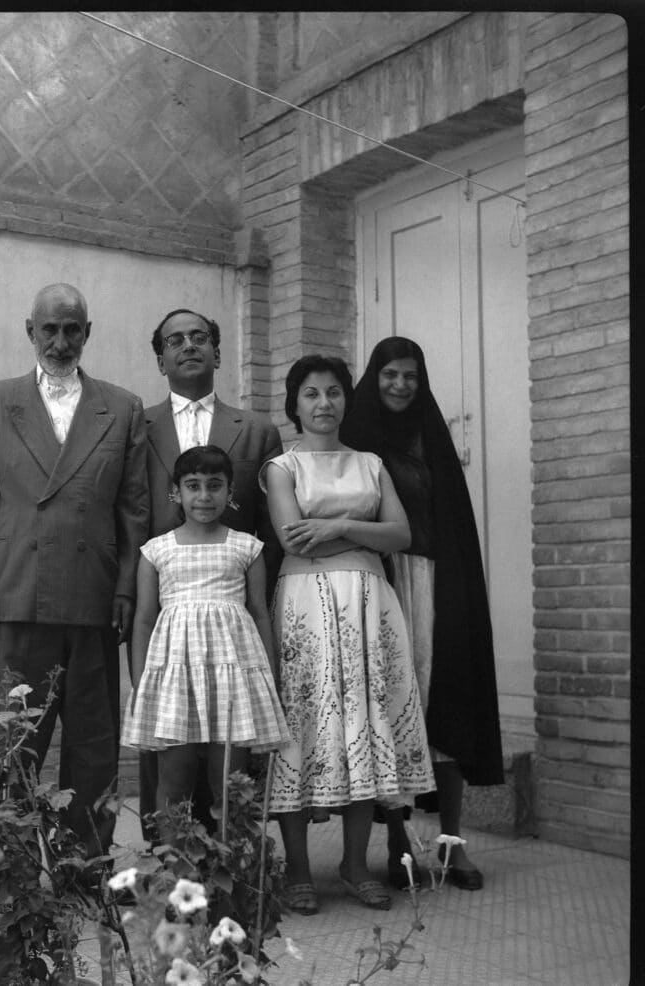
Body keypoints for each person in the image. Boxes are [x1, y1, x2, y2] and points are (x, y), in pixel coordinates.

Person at [0, 282, 149, 858]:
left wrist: (125, 590)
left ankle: (83, 864)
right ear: (30, 331)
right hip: (18, 592)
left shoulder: (121, 406)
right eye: (50, 329)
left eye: (73, 330)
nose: (61, 342)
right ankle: (10, 866)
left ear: (87, 333)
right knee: (11, 740)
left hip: (93, 596)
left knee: (94, 744)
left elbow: (133, 508)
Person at [261, 354, 435, 915]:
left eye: (333, 392)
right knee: (304, 724)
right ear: (295, 403)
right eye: (311, 394)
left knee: (366, 719)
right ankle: (298, 869)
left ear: (346, 400)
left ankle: (355, 864)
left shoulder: (371, 463)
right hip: (305, 607)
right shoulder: (281, 467)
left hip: (368, 606)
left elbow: (402, 533)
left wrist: (336, 527)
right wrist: (365, 538)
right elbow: (293, 541)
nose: (323, 404)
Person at [341, 336, 504, 891]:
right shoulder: (355, 439)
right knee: (389, 708)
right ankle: (396, 846)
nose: (400, 385)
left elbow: (453, 523)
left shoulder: (433, 437)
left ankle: (451, 845)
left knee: (447, 704)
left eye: (411, 375)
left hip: (436, 583)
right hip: (380, 584)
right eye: (390, 374)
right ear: (374, 377)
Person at [138, 308, 284, 837]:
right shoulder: (138, 424)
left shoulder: (257, 429)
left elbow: (268, 527)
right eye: (174, 340)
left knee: (231, 764)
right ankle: (169, 864)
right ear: (161, 358)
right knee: (171, 762)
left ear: (218, 352)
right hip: (167, 603)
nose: (188, 346)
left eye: (199, 337)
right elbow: (130, 508)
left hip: (230, 624)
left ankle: (233, 866)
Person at [122, 445, 289, 842]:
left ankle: (238, 875)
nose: (203, 496)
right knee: (174, 781)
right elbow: (144, 619)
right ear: (176, 492)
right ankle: (174, 872)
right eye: (193, 486)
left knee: (230, 781)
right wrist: (141, 682)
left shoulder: (246, 547)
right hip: (175, 679)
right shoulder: (156, 551)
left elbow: (260, 612)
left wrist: (269, 676)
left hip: (232, 679)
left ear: (229, 491)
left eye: (214, 486)